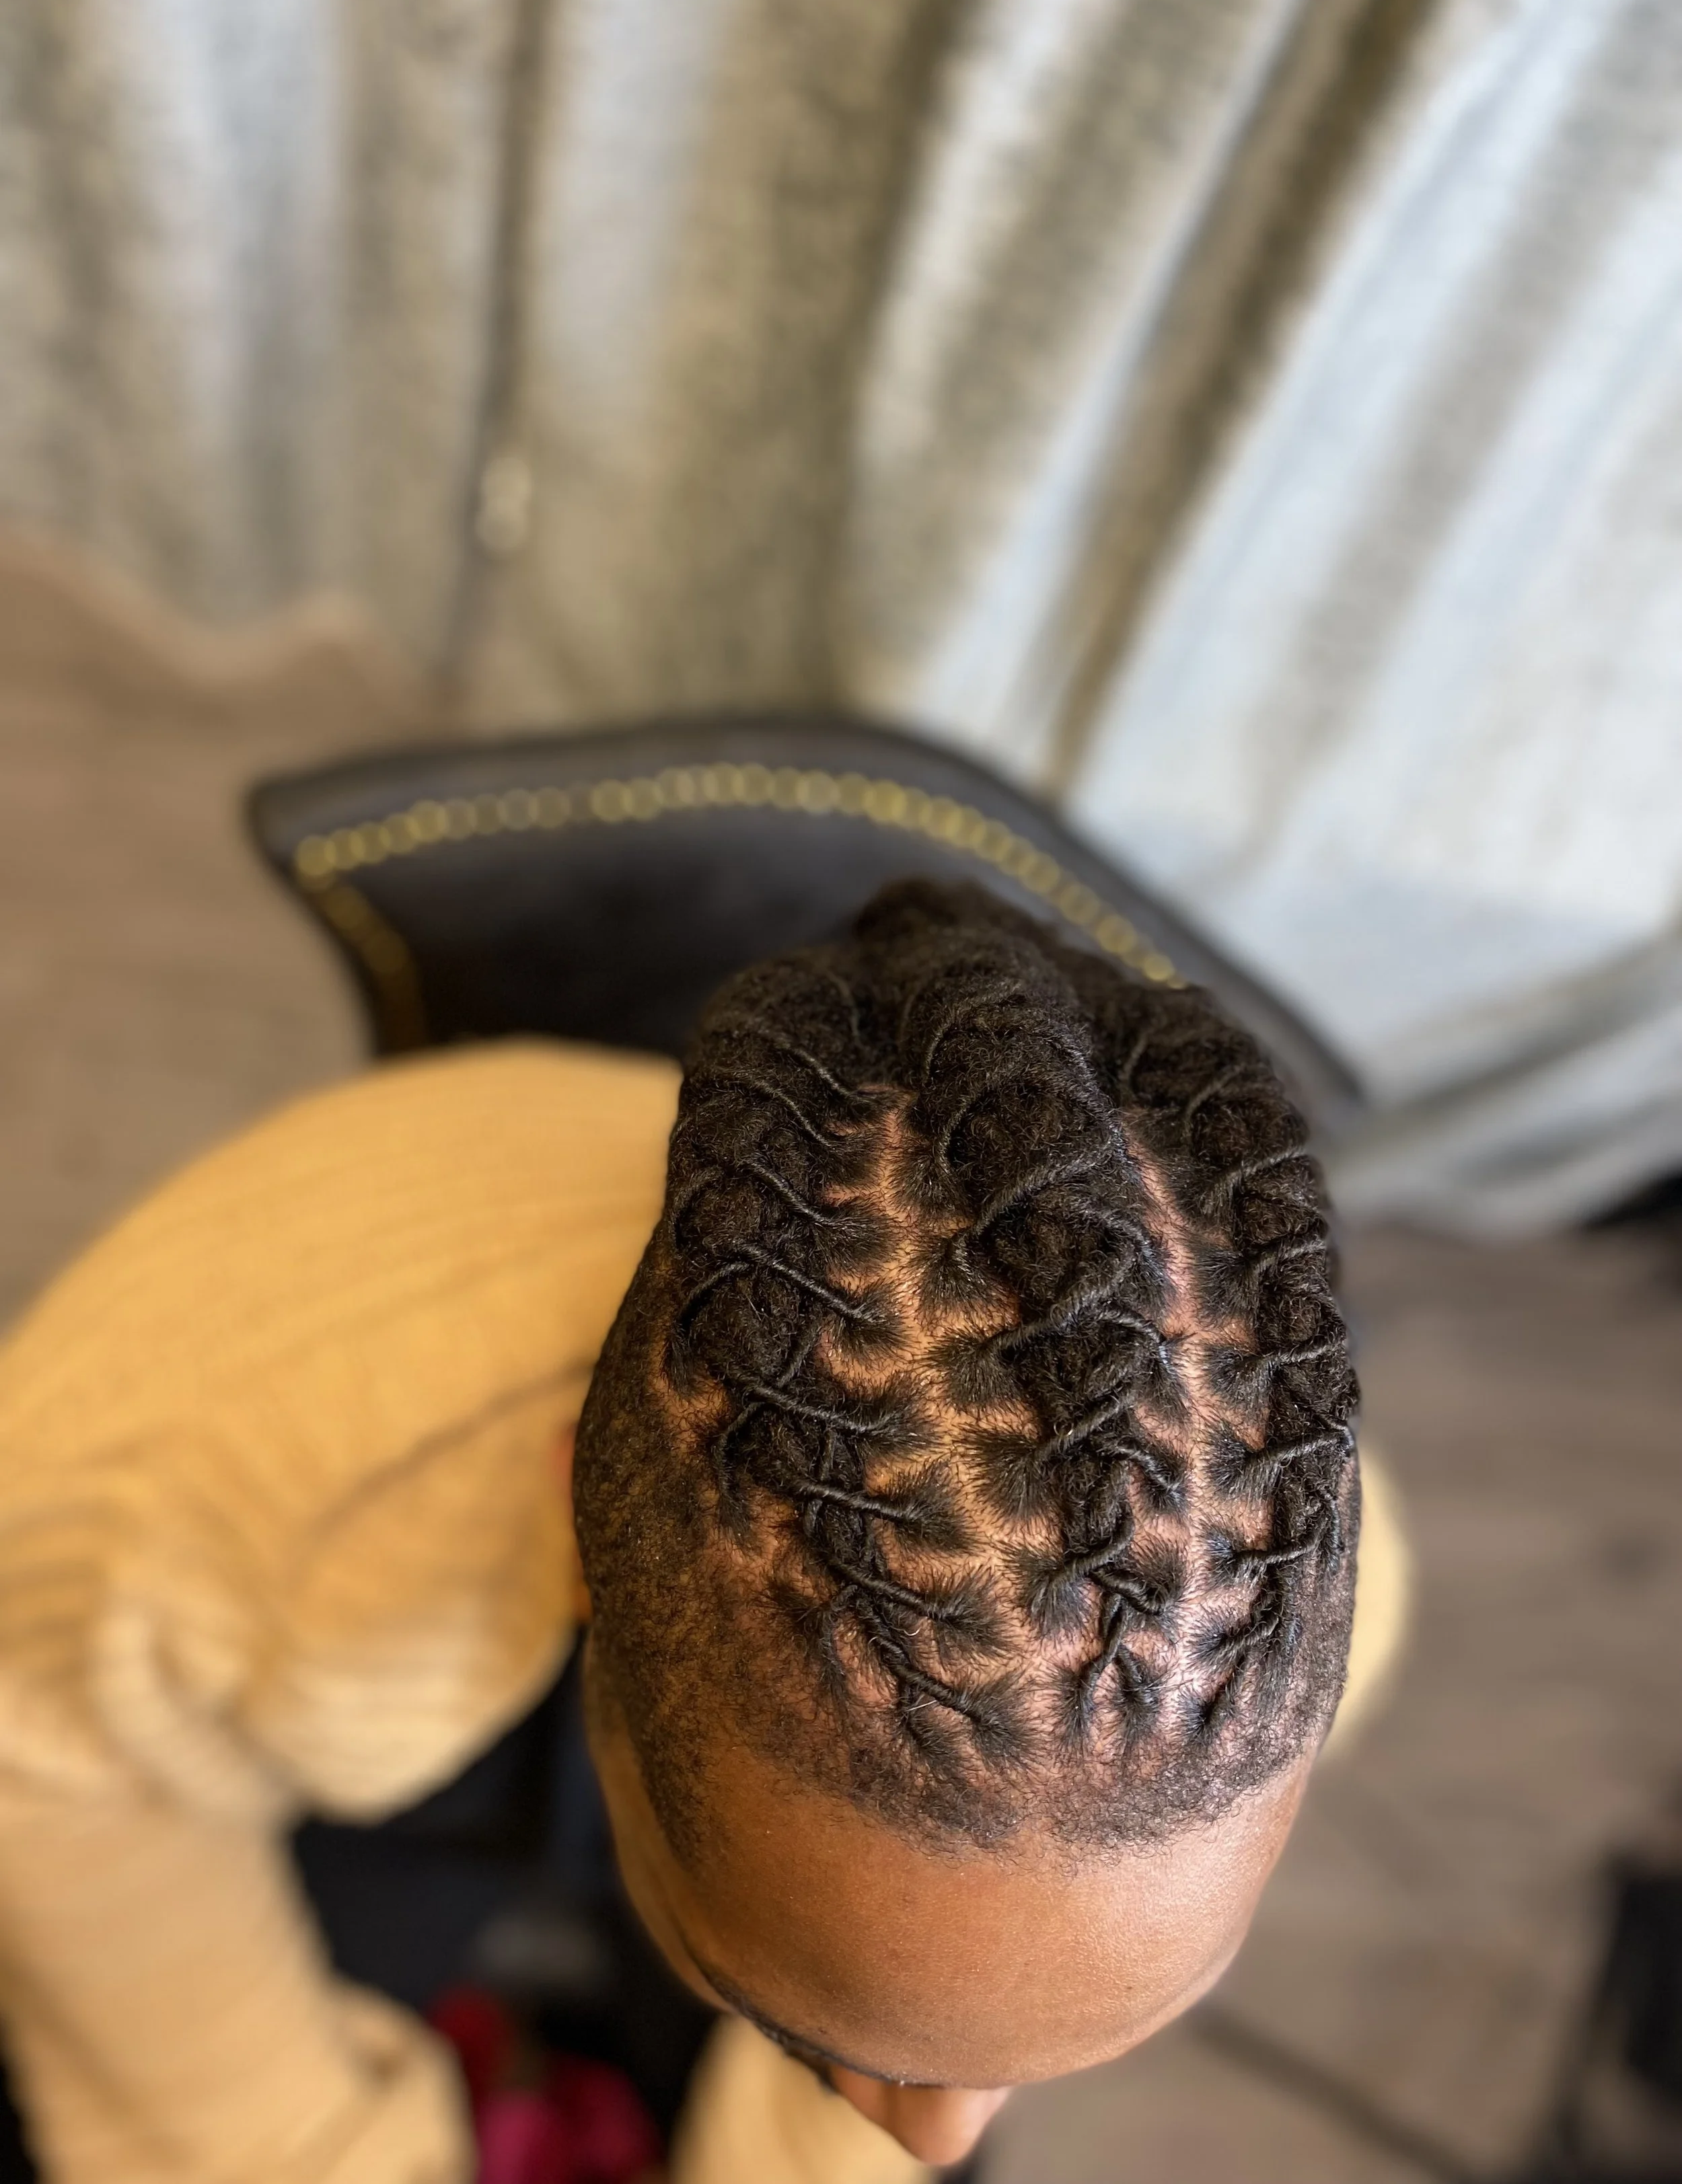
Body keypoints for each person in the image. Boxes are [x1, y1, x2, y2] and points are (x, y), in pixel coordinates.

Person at [0, 880, 1360, 2183]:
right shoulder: (154, 1505)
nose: (939, 2136)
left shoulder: (1247, 1614)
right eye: (814, 2025)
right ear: (582, 1554)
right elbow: (48, 1778)